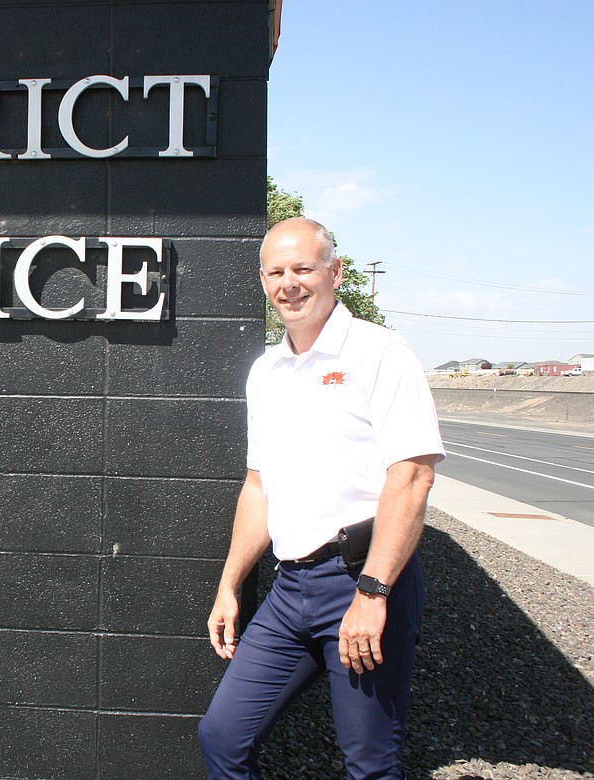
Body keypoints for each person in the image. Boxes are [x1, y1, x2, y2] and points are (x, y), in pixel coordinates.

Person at [198, 217, 445, 779]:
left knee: (370, 762)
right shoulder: (265, 371)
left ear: (333, 272)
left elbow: (412, 477)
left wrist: (374, 593)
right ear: (263, 281)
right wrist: (230, 586)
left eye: (304, 268)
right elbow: (260, 485)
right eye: (276, 272)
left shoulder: (380, 353)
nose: (290, 283)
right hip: (290, 592)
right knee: (222, 735)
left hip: (361, 581)